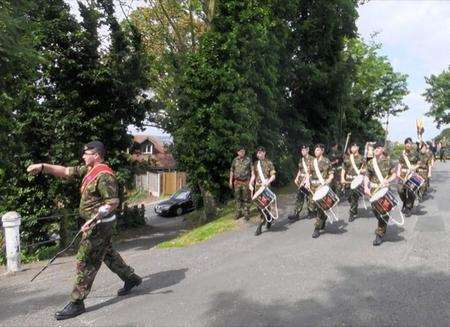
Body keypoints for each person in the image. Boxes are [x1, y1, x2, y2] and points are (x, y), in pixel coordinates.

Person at [27, 141, 142, 320]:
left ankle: (77, 302)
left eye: (86, 153)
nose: (83, 156)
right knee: (107, 253)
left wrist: (93, 219)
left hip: (99, 225)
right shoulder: (89, 170)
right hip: (94, 223)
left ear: (96, 155)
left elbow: (112, 203)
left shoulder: (104, 175)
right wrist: (43, 167)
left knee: (85, 260)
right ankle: (131, 278)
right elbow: (65, 171)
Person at [364, 141, 397, 246]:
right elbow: (367, 176)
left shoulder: (388, 161)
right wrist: (365, 186)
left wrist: (388, 180)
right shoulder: (370, 163)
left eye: (378, 148)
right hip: (373, 190)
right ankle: (383, 224)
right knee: (376, 211)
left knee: (383, 211)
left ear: (382, 149)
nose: (376, 149)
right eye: (375, 148)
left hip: (384, 190)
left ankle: (380, 234)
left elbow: (394, 175)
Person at [308, 144, 334, 239]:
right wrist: (307, 181)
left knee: (319, 207)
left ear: (322, 151)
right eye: (315, 150)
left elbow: (331, 176)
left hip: (322, 187)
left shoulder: (326, 161)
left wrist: (324, 184)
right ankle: (323, 217)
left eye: (318, 150)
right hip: (312, 187)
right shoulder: (312, 161)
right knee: (312, 207)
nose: (316, 151)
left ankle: (317, 228)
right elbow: (309, 173)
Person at [249, 146, 276, 236]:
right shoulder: (255, 164)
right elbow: (253, 175)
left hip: (266, 188)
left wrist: (268, 182)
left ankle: (260, 226)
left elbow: (273, 176)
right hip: (257, 188)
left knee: (265, 206)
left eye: (261, 152)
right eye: (258, 153)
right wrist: (250, 183)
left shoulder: (269, 163)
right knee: (259, 207)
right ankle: (269, 218)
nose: (259, 154)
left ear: (264, 152)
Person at [341, 142, 365, 222]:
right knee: (348, 197)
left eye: (355, 147)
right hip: (348, 181)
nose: (353, 148)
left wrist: (363, 170)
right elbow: (343, 169)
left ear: (358, 148)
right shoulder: (347, 158)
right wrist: (342, 178)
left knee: (354, 197)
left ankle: (352, 213)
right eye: (352, 147)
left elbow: (367, 169)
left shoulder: (362, 158)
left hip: (357, 181)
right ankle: (354, 207)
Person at [289, 145, 313, 221]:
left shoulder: (312, 159)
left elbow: (312, 171)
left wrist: (307, 179)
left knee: (309, 196)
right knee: (300, 196)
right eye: (302, 150)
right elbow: (300, 169)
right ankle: (296, 214)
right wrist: (296, 177)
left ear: (308, 150)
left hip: (309, 180)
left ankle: (311, 211)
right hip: (301, 180)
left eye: (304, 150)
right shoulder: (301, 160)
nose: (302, 152)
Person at [397, 137, 419, 217]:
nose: (408, 145)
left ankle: (409, 208)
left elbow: (419, 163)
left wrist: (414, 167)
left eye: (410, 143)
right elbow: (400, 163)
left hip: (412, 175)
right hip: (403, 175)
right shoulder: (402, 154)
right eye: (407, 143)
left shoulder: (415, 153)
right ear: (405, 144)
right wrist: (398, 171)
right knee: (400, 190)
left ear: (412, 144)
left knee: (410, 191)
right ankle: (405, 201)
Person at [229, 146, 252, 220]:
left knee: (246, 198)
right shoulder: (235, 160)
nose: (242, 152)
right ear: (237, 152)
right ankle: (238, 213)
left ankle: (246, 213)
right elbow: (232, 170)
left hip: (246, 182)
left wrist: (251, 181)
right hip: (237, 182)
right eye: (241, 151)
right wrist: (230, 181)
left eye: (243, 151)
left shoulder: (248, 160)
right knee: (237, 198)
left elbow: (252, 171)